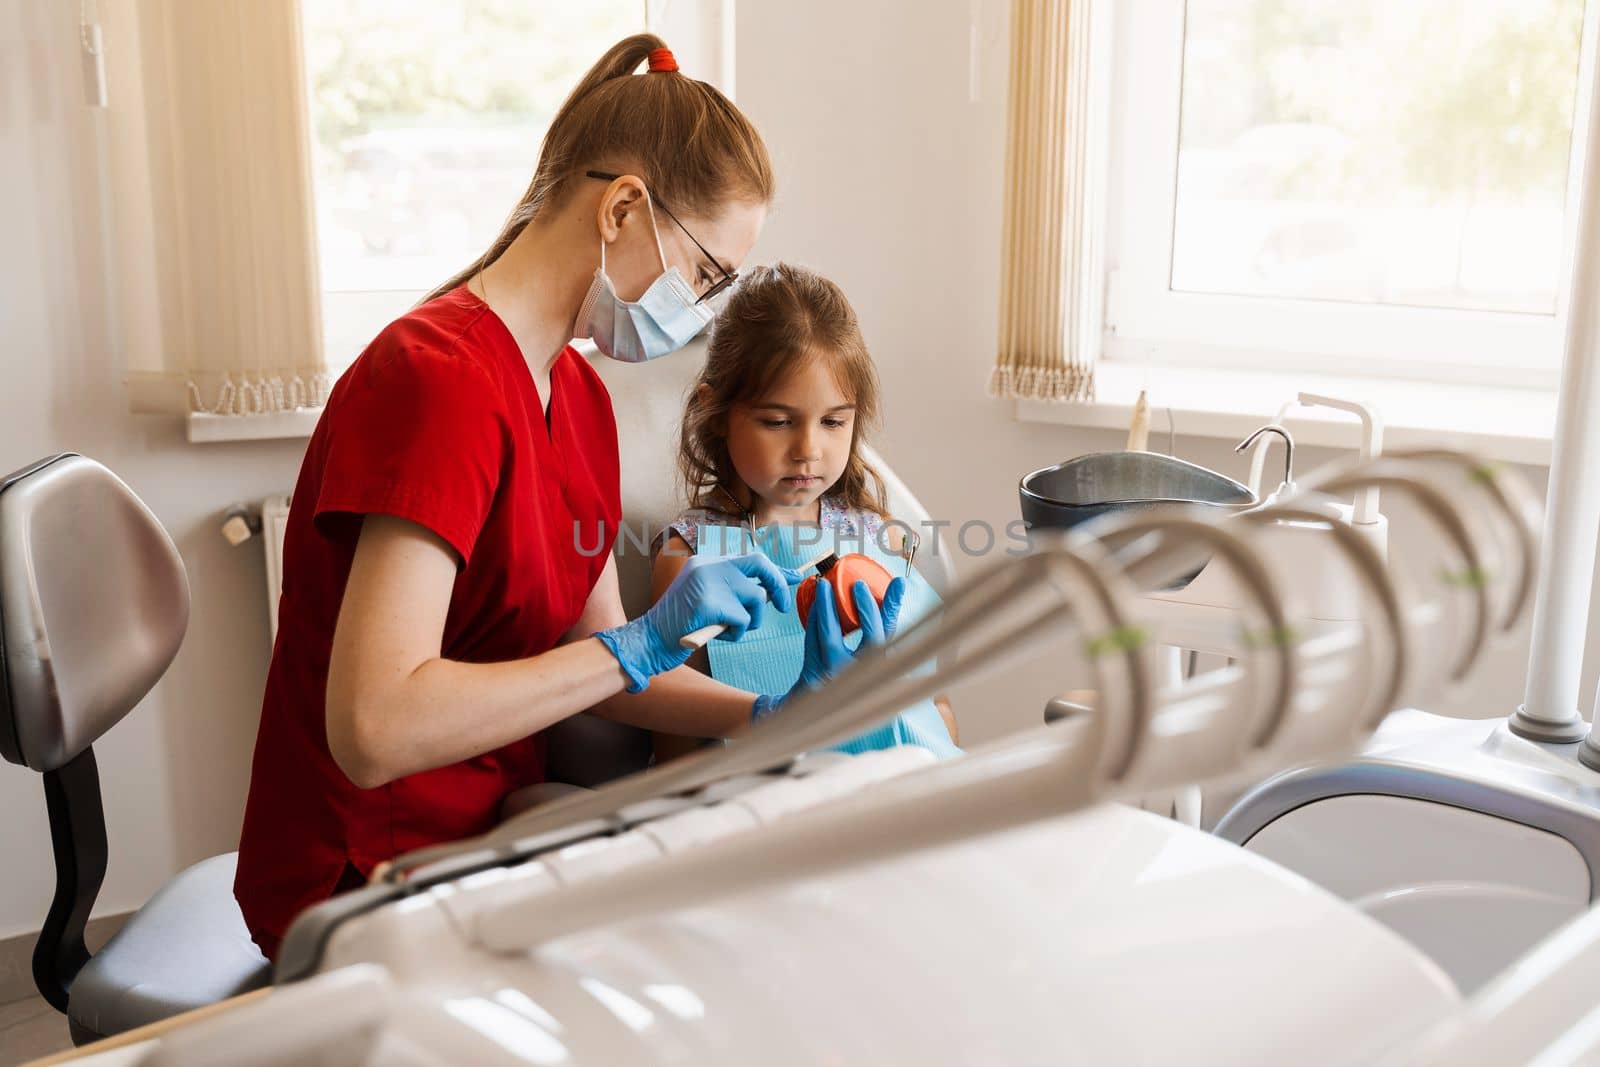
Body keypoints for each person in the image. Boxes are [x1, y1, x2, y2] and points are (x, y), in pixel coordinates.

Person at [233, 37, 889, 962]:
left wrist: (770, 714)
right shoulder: (435, 381)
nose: (703, 311)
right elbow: (373, 729)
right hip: (369, 872)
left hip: (488, 828)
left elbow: (598, 657)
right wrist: (639, 644)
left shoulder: (575, 395)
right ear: (623, 207)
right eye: (705, 275)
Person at [650, 263, 959, 761]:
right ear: (717, 412)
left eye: (834, 421)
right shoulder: (689, 558)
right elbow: (674, 748)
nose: (808, 449)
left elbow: (939, 707)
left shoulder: (882, 539)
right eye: (777, 421)